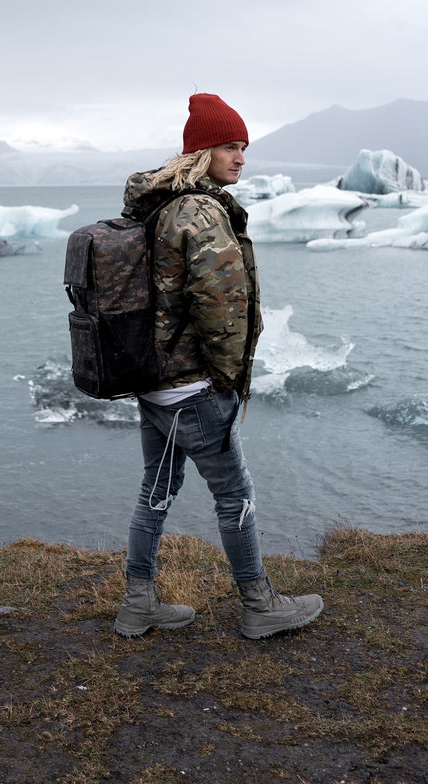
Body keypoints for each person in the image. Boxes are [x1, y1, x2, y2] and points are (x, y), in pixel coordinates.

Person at [113, 92, 324, 640]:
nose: (241, 158)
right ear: (203, 150)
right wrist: (228, 383)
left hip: (154, 383)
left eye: (244, 147)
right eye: (232, 146)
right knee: (235, 494)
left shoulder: (160, 204)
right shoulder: (201, 213)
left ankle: (138, 606)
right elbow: (222, 304)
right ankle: (260, 605)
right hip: (193, 388)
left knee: (154, 490)